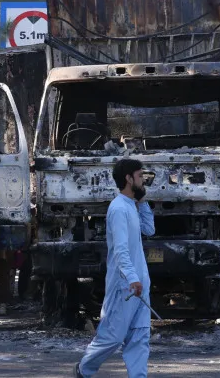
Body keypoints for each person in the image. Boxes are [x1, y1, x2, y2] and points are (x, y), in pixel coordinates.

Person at [76, 159, 155, 378]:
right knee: (112, 336)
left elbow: (149, 229)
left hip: (140, 282)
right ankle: (84, 369)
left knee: (140, 336)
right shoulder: (118, 208)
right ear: (128, 179)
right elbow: (120, 250)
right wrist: (131, 278)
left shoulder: (131, 206)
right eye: (139, 176)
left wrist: (143, 202)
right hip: (125, 286)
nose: (143, 179)